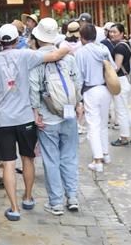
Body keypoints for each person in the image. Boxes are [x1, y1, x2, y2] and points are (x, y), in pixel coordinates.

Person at [0, 24, 67, 221]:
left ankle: (14, 208)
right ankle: (29, 197)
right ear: (17, 40)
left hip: (3, 119)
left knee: (8, 164)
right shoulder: (26, 55)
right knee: (27, 158)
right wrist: (68, 46)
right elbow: (54, 56)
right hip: (25, 118)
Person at [28, 18, 83, 215]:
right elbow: (77, 82)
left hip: (47, 117)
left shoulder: (35, 59)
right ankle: (73, 197)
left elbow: (33, 88)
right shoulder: (68, 57)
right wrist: (79, 104)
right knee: (69, 156)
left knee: (51, 159)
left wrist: (35, 112)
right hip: (69, 114)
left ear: (37, 36)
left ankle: (56, 202)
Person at [76, 23, 115, 172]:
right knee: (103, 124)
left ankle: (97, 160)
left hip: (90, 90)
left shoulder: (81, 52)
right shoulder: (103, 49)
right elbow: (113, 67)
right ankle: (105, 154)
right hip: (105, 89)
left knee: (93, 124)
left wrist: (78, 98)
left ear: (82, 37)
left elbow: (79, 77)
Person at [106, 23, 131, 146]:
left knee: (120, 110)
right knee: (124, 107)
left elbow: (116, 67)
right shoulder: (127, 44)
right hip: (128, 81)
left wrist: (106, 67)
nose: (112, 34)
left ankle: (124, 137)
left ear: (122, 33)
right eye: (110, 32)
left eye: (115, 32)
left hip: (122, 81)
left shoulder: (119, 48)